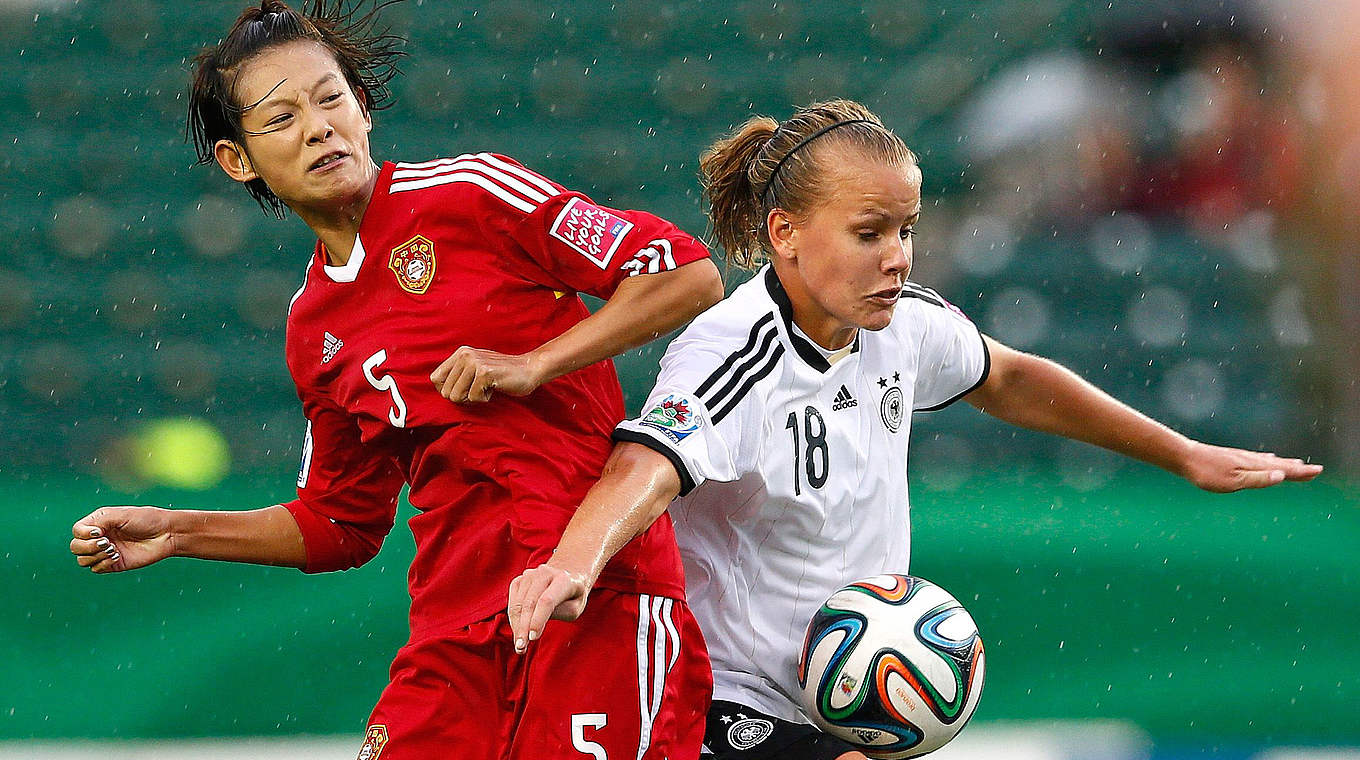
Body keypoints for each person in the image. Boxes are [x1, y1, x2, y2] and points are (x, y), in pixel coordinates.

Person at [505, 99, 1324, 760]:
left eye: (907, 230)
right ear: (785, 234)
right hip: (725, 699)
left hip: (839, 697)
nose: (897, 257)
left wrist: (1181, 453)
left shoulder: (900, 323)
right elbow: (647, 463)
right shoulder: (735, 353)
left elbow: (1007, 375)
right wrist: (574, 566)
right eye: (870, 234)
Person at [68, 2, 722, 759]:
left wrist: (537, 362)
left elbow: (683, 272)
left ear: (363, 108)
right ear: (238, 159)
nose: (318, 127)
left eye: (330, 98)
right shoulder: (313, 328)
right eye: (281, 117)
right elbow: (341, 522)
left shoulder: (472, 193)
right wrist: (180, 530)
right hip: (455, 634)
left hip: (593, 597)